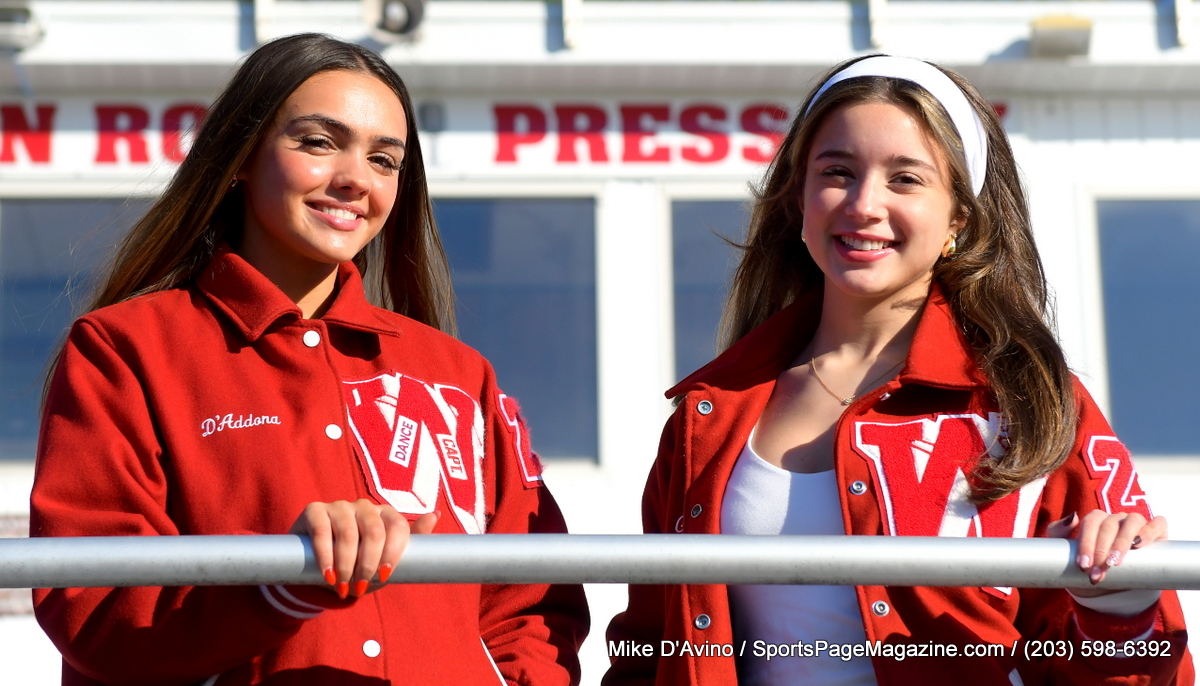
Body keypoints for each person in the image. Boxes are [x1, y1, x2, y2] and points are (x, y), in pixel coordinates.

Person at [604, 55, 1191, 686]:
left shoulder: (1033, 406)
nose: (864, 205)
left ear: (960, 217)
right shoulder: (710, 412)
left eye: (905, 179)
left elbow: (1136, 669)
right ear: (798, 198)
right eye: (837, 172)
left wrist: (1119, 605)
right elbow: (649, 650)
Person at [30, 33, 588, 686]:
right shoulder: (126, 349)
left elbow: (533, 603)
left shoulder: (459, 373)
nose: (356, 179)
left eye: (384, 160)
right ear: (240, 156)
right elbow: (92, 604)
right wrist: (281, 583)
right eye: (320, 143)